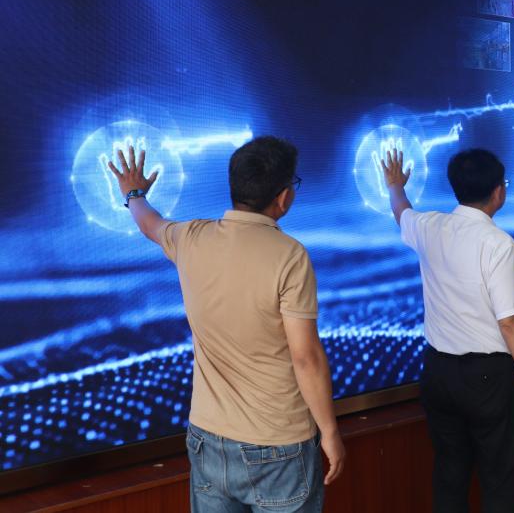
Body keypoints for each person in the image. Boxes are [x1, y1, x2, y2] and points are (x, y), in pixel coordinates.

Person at [107, 138, 344, 512]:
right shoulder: (290, 256)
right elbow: (306, 358)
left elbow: (149, 223)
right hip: (278, 445)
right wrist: (329, 431)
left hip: (208, 439)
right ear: (283, 197)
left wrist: (134, 193)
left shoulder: (191, 237)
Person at [381, 148, 514, 513]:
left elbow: (401, 211)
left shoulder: (430, 226)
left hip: (438, 372)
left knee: (449, 474)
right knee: (500, 479)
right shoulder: (498, 244)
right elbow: (510, 322)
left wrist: (395, 185)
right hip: (489, 378)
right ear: (498, 192)